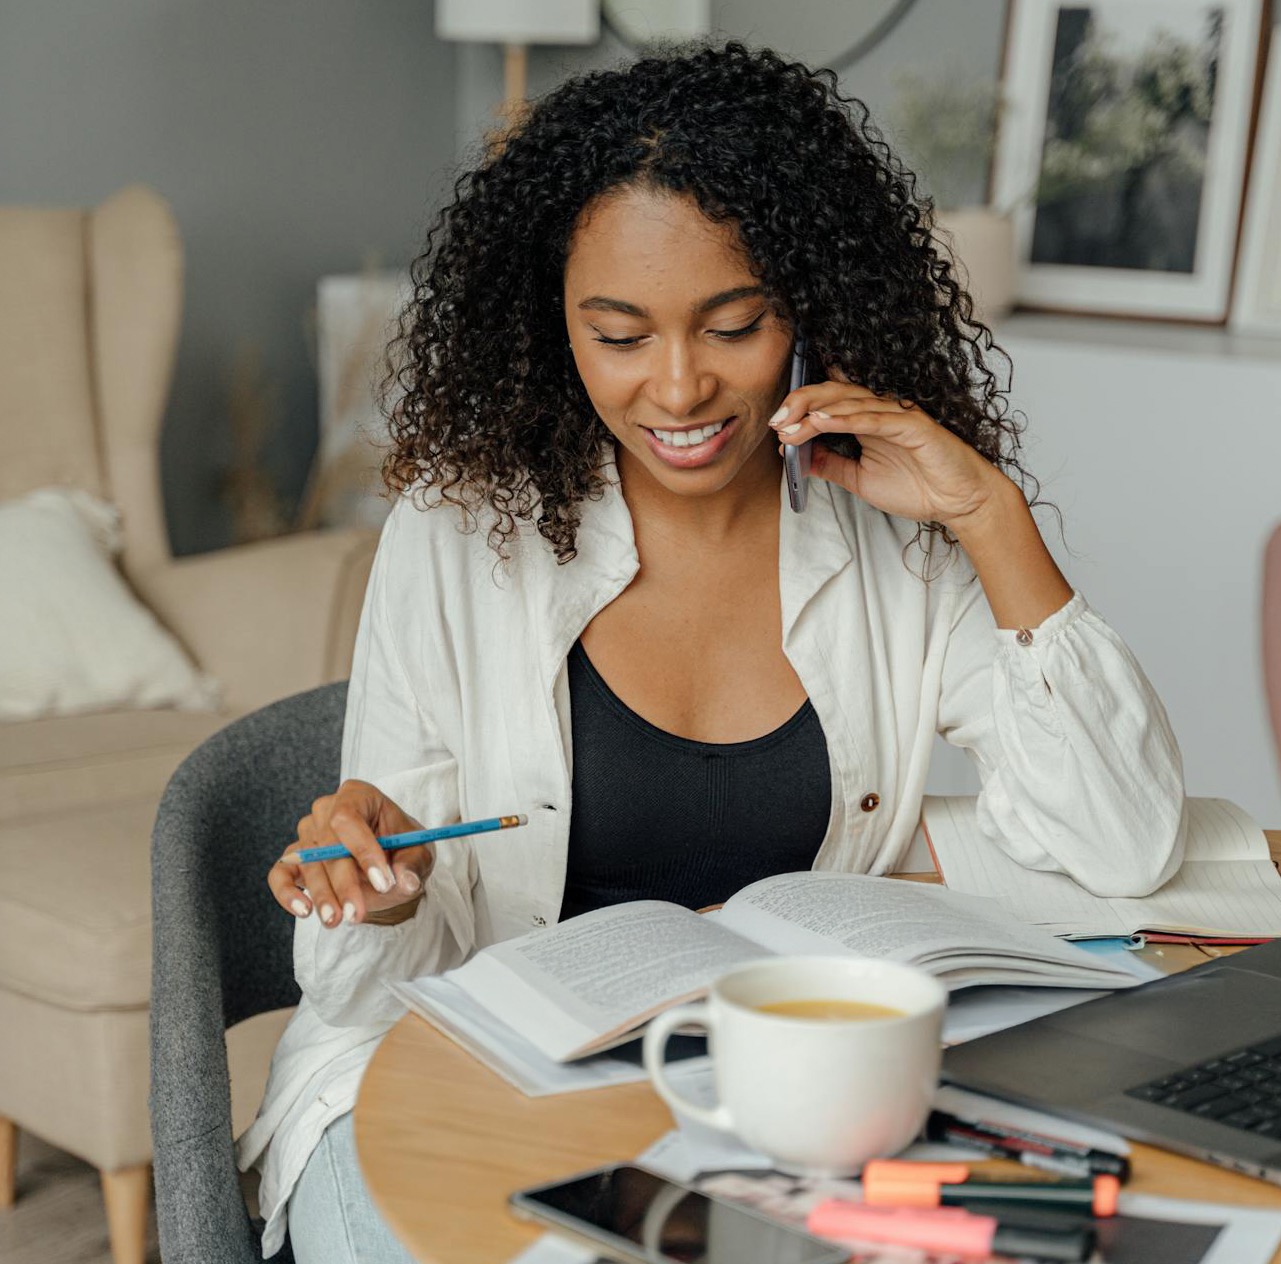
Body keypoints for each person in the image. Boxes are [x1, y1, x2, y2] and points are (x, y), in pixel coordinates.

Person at [239, 41, 1186, 1262]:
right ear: (553, 325)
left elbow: (1125, 843)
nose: (678, 389)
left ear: (802, 304)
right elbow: (366, 990)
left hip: (752, 1115)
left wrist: (985, 518)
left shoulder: (883, 527)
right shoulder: (460, 533)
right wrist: (382, 895)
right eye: (619, 336)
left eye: (731, 325)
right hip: (446, 1086)